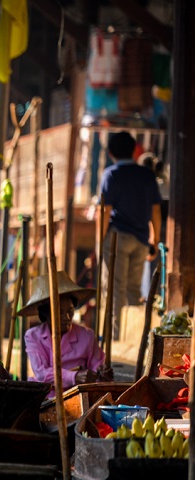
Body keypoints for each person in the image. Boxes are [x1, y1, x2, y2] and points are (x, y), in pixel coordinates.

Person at [99, 131, 162, 339]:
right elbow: (155, 211)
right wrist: (155, 239)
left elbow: (105, 211)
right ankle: (137, 339)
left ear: (110, 153)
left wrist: (100, 240)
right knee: (134, 290)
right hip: (141, 239)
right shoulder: (147, 175)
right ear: (135, 150)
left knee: (116, 290)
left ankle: (114, 339)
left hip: (118, 237)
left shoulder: (111, 174)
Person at [22, 271, 113, 398]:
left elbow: (97, 370)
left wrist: (103, 374)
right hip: (45, 397)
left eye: (70, 311)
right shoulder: (32, 336)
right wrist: (74, 377)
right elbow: (41, 373)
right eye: (60, 312)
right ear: (46, 313)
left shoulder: (87, 336)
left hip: (79, 397)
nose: (67, 317)